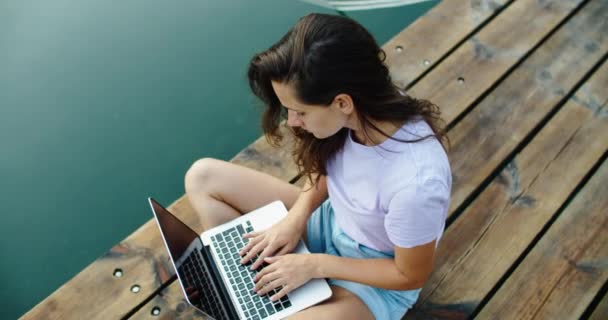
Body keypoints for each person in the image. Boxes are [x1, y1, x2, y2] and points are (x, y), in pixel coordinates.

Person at [184, 13, 451, 320]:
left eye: (299, 112)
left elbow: (409, 276)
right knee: (203, 177)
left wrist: (315, 265)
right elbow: (332, 170)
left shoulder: (416, 187)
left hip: (373, 280)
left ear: (342, 103)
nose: (292, 122)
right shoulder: (365, 109)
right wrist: (296, 218)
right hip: (330, 224)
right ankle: (246, 287)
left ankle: (265, 293)